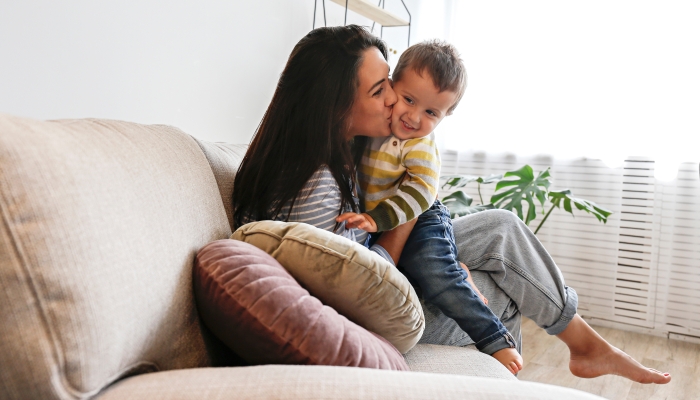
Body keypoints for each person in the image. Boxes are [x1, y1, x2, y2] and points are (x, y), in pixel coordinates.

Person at [231, 24, 671, 384]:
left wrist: (431, 238)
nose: (393, 102)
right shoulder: (315, 185)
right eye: (381, 90)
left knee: (500, 227)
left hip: (388, 259)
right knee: (499, 293)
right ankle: (543, 364)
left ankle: (583, 344)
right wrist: (414, 219)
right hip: (375, 312)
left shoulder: (338, 149)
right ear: (335, 102)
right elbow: (364, 287)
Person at [334, 40, 522, 374]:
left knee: (437, 274)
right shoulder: (372, 127)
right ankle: (459, 272)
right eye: (408, 100)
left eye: (431, 112)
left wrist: (376, 219)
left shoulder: (419, 144)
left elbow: (422, 191)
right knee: (415, 278)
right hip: (383, 223)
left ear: (446, 115)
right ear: (393, 86)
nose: (413, 117)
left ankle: (494, 339)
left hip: (420, 219)